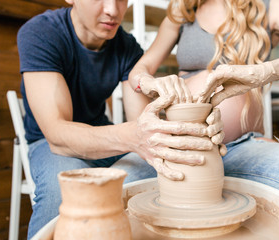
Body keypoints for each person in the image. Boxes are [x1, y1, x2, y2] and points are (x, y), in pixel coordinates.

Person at [129, 0, 279, 236]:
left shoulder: (269, 7)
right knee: (115, 187)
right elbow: (140, 70)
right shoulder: (182, 13)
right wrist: (147, 82)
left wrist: (266, 71)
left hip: (243, 147)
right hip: (174, 149)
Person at [16, 0, 225, 238]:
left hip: (106, 140)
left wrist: (196, 123)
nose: (113, 11)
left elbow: (142, 123)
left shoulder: (126, 46)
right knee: (66, 191)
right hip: (53, 144)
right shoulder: (41, 33)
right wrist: (134, 137)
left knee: (171, 170)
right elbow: (57, 135)